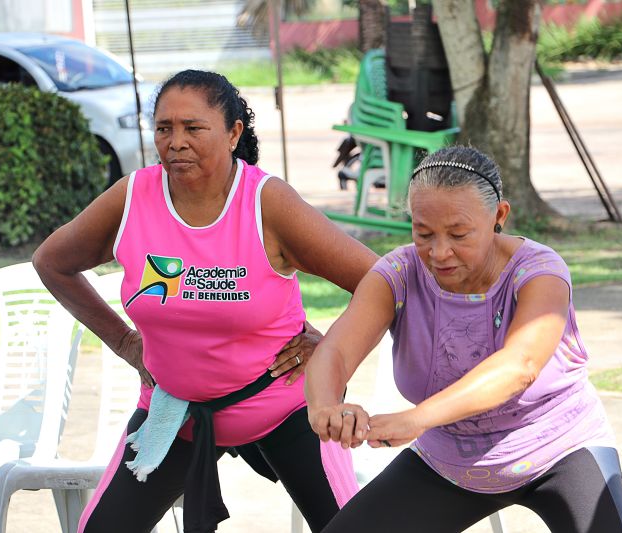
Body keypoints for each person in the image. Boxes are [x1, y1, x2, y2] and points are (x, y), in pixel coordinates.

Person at [32, 69, 377, 533]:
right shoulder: (132, 197)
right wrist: (125, 343)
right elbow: (52, 262)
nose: (176, 142)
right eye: (164, 128)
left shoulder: (266, 203)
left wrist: (332, 348)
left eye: (193, 128)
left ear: (233, 132)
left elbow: (382, 281)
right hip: (175, 412)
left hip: (284, 408)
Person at [305, 146, 622, 533]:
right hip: (449, 463)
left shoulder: (540, 271)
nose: (439, 252)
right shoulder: (397, 273)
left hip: (561, 447)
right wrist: (325, 406)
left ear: (499, 216)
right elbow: (336, 350)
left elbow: (519, 367)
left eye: (458, 234)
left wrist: (416, 419)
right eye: (423, 233)